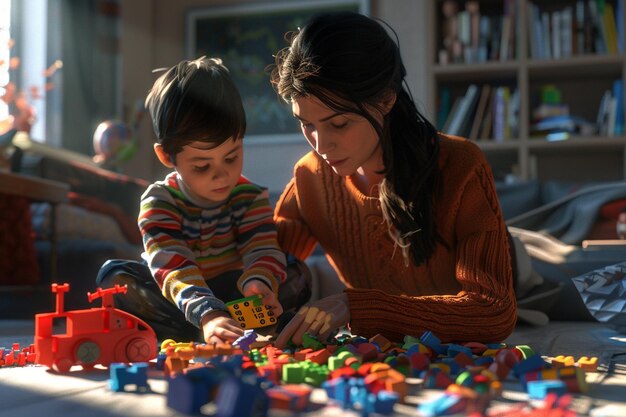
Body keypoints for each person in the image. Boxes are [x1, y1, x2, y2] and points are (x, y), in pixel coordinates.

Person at [269, 11, 517, 348]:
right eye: (306, 124)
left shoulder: (461, 165)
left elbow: (494, 313)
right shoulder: (309, 175)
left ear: (386, 99)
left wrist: (353, 305)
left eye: (339, 124)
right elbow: (266, 258)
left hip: (515, 267)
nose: (321, 144)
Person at [96, 57, 310, 344]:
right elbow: (173, 266)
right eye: (201, 166)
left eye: (231, 157)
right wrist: (207, 313)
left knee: (297, 272)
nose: (222, 176)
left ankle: (233, 324)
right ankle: (208, 326)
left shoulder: (248, 196)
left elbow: (261, 248)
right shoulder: (160, 202)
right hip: (178, 295)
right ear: (166, 157)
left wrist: (260, 282)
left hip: (233, 291)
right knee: (114, 279)